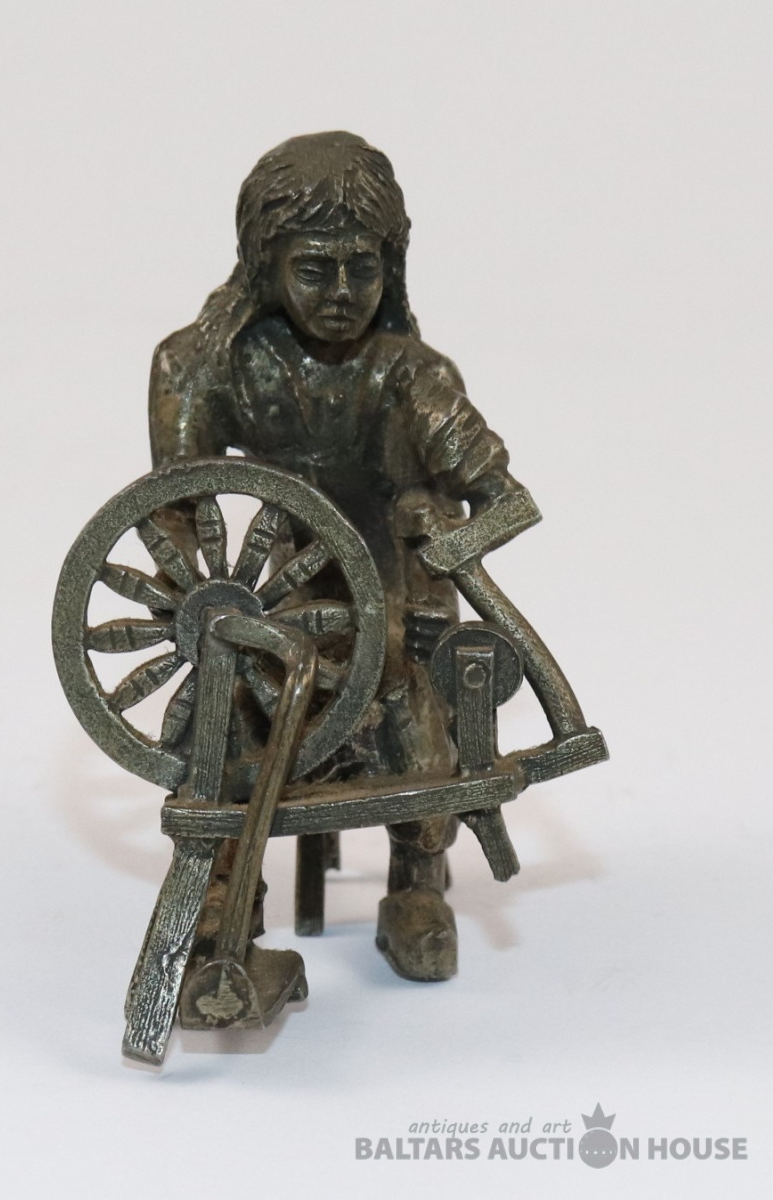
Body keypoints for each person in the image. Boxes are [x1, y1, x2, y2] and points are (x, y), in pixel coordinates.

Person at [148, 131, 518, 984]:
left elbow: (504, 499)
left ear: (392, 264)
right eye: (315, 270)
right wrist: (211, 607)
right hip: (265, 610)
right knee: (226, 719)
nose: (343, 294)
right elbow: (170, 517)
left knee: (417, 731)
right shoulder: (201, 367)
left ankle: (417, 881)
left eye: (364, 268)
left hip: (395, 596)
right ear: (264, 264)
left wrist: (443, 541)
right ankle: (226, 887)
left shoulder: (414, 377)